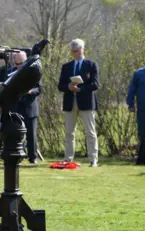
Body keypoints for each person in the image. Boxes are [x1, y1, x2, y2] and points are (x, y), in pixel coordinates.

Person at [57, 38, 99, 167]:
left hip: (86, 102)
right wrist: (68, 87)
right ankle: (68, 159)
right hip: (70, 102)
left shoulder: (91, 65)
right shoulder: (66, 66)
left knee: (90, 132)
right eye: (73, 51)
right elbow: (60, 85)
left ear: (82, 49)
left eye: (77, 50)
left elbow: (95, 84)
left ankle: (93, 159)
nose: (75, 53)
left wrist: (81, 89)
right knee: (69, 132)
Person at [13, 51, 43, 164]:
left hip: (30, 107)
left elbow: (40, 89)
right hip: (16, 107)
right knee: (16, 134)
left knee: (31, 134)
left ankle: (33, 157)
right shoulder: (12, 73)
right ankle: (17, 156)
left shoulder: (34, 72)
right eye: (17, 64)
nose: (19, 66)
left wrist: (30, 91)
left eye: (21, 63)